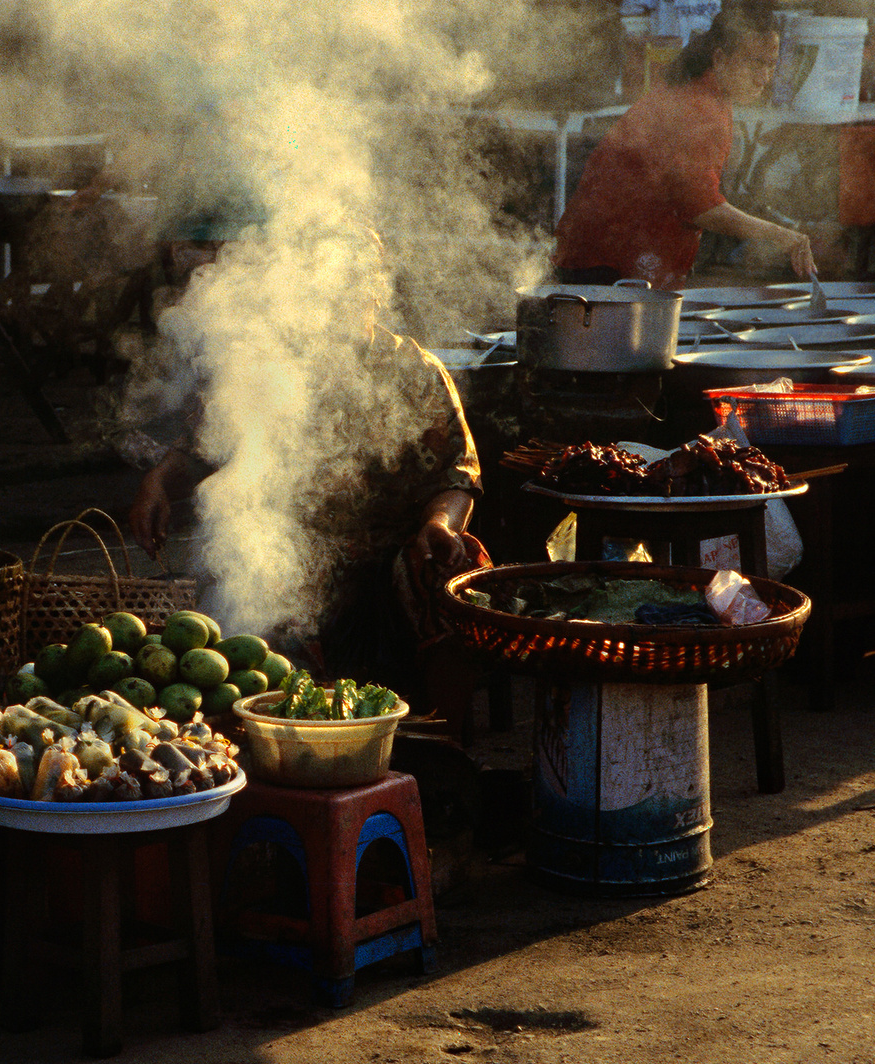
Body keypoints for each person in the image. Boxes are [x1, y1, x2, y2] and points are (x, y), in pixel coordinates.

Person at [128, 327, 489, 724]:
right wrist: (157, 480)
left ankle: (442, 732)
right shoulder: (267, 357)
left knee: (452, 569)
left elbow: (458, 476)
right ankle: (288, 727)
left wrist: (438, 524)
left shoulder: (415, 370)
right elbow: (204, 444)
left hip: (395, 545)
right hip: (296, 544)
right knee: (252, 575)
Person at [554, 3, 817, 290]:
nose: (763, 78)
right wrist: (780, 236)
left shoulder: (709, 94)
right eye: (754, 63)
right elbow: (700, 206)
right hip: (605, 261)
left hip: (606, 251)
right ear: (720, 58)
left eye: (770, 64)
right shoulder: (699, 106)